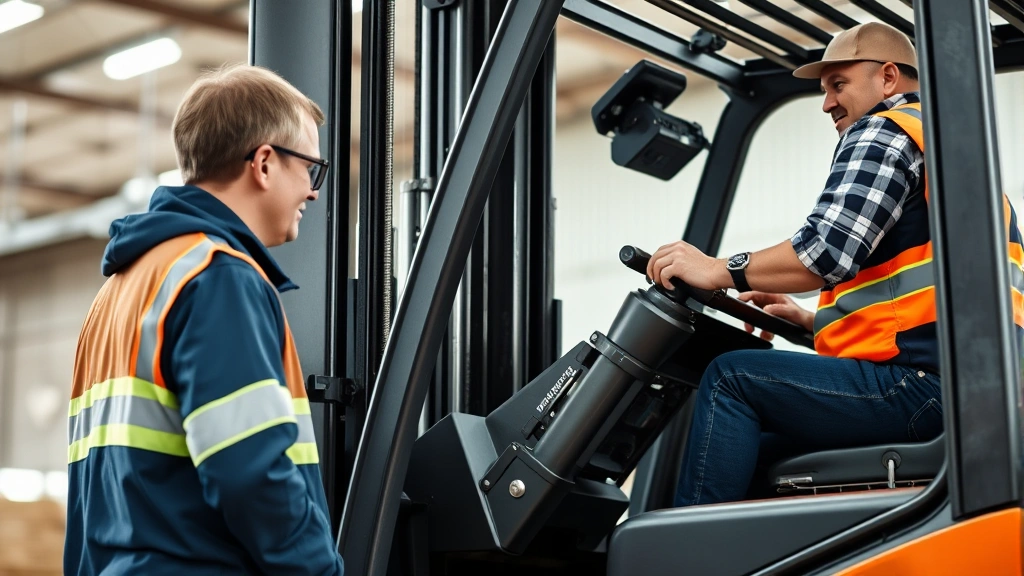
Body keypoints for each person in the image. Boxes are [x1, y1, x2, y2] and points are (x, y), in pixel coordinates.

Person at [645, 22, 1024, 506]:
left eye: (838, 85)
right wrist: (810, 321)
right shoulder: (952, 151)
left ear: (887, 77)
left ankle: (682, 556)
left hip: (921, 387)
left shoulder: (886, 130)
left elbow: (825, 252)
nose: (827, 104)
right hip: (971, 395)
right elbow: (916, 297)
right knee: (755, 455)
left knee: (731, 380)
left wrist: (717, 270)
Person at [65, 64, 344, 574]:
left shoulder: (120, 289)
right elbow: (249, 469)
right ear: (264, 163)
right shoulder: (219, 277)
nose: (314, 192)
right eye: (311, 169)